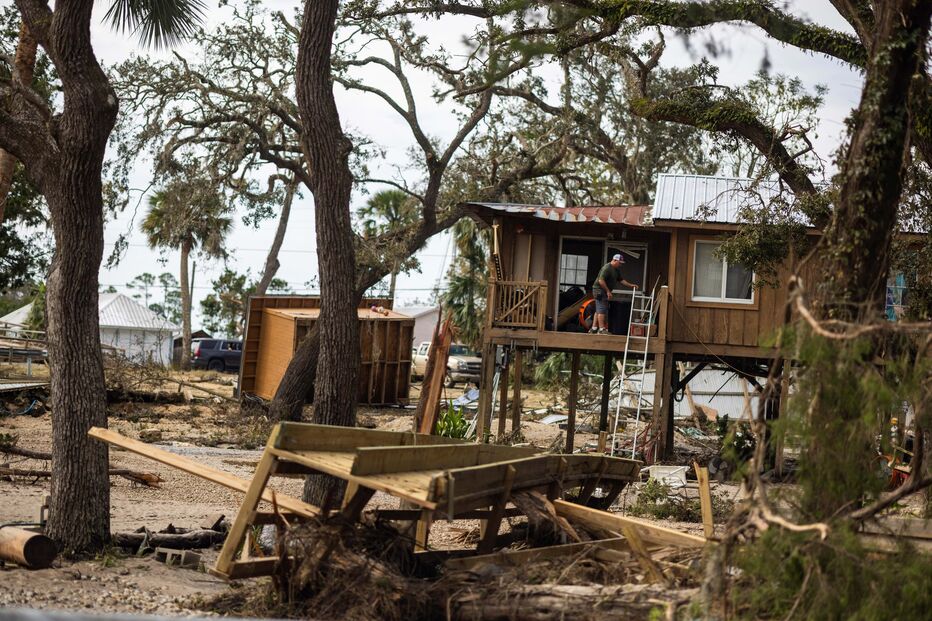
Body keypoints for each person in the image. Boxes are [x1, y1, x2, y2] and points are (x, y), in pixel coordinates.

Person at [591, 254, 638, 334]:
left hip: (603, 290)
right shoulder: (607, 268)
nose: (621, 265)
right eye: (620, 263)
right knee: (602, 310)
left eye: (621, 263)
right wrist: (608, 291)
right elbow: (601, 281)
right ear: (614, 260)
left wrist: (631, 285)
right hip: (599, 290)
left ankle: (594, 328)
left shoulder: (616, 270)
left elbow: (621, 280)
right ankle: (601, 330)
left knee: (599, 309)